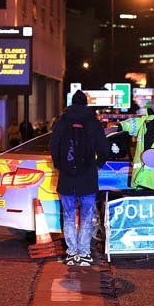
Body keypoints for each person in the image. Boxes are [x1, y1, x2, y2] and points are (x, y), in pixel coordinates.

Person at [50, 90, 108, 266]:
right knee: (87, 214)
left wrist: (60, 165)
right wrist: (96, 165)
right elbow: (104, 149)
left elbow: (53, 146)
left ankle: (71, 253)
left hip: (67, 177)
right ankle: (84, 253)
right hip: (87, 177)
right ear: (86, 104)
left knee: (68, 215)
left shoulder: (61, 122)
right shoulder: (93, 123)